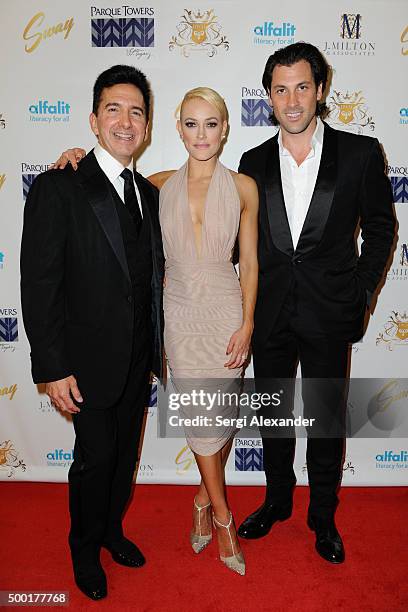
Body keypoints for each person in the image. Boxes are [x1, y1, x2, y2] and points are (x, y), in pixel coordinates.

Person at [54, 87, 259, 576]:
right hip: (180, 316)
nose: (201, 134)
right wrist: (73, 157)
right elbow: (103, 187)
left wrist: (248, 323)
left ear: (225, 129)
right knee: (203, 421)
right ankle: (224, 518)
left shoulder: (245, 187)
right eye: (191, 124)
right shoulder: (156, 184)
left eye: (211, 124)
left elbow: (249, 263)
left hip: (227, 311)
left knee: (223, 415)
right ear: (176, 128)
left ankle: (201, 499)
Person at [236, 42, 395, 563]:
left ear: (320, 90)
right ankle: (277, 500)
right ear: (268, 98)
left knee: (325, 420)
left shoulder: (360, 153)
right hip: (270, 313)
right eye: (280, 90)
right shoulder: (251, 162)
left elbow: (380, 227)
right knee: (275, 417)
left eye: (302, 87)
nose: (293, 100)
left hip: (331, 311)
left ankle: (322, 516)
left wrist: (361, 290)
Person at [21, 65, 164, 601]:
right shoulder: (60, 186)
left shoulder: (150, 194)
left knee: (124, 456)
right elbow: (38, 283)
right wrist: (53, 366)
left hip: (136, 360)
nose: (125, 122)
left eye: (136, 112)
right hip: (84, 361)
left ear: (147, 128)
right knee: (93, 462)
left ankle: (110, 532)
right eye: (114, 109)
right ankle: (83, 550)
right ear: (94, 120)